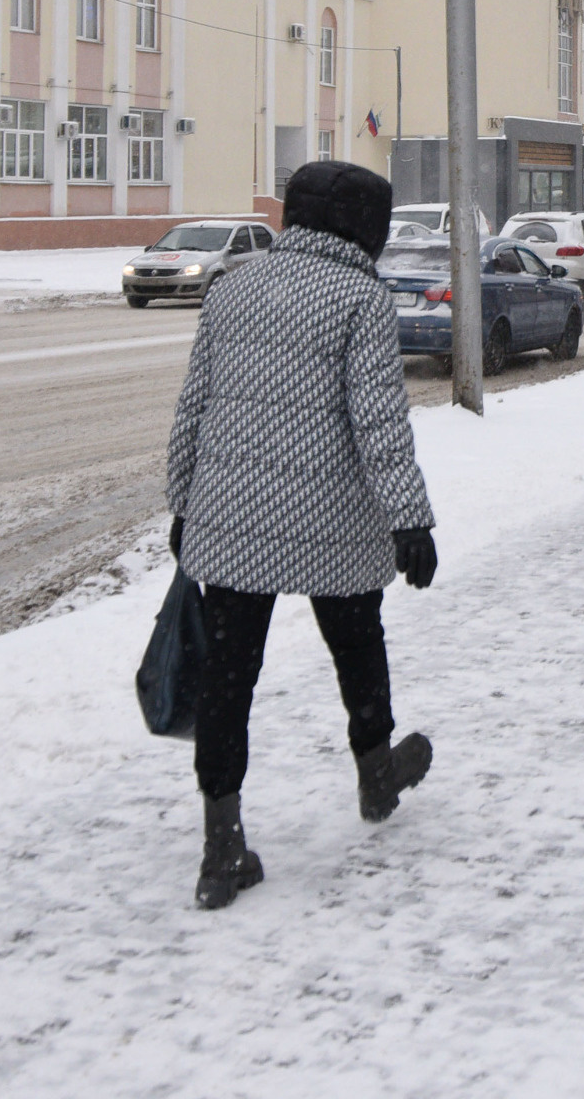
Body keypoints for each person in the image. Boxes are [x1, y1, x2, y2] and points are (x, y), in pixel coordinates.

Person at [165, 159, 439, 912]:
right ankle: (375, 773)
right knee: (357, 646)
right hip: (331, 522)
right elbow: (380, 424)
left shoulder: (233, 286)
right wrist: (409, 518)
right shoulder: (360, 298)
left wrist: (182, 503)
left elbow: (194, 406)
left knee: (229, 680)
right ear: (365, 228)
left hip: (232, 516)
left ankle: (221, 848)